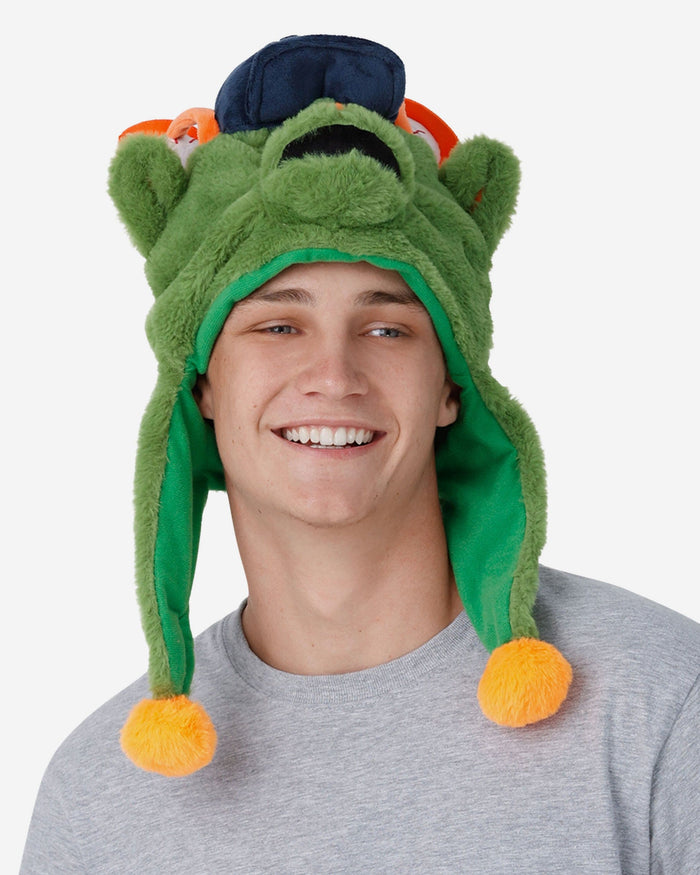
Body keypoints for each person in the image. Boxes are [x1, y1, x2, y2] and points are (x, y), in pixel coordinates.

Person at [21, 34, 699, 874]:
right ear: (202, 387)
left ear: (450, 385)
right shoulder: (99, 800)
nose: (334, 376)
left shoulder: (659, 709)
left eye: (387, 328)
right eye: (279, 324)